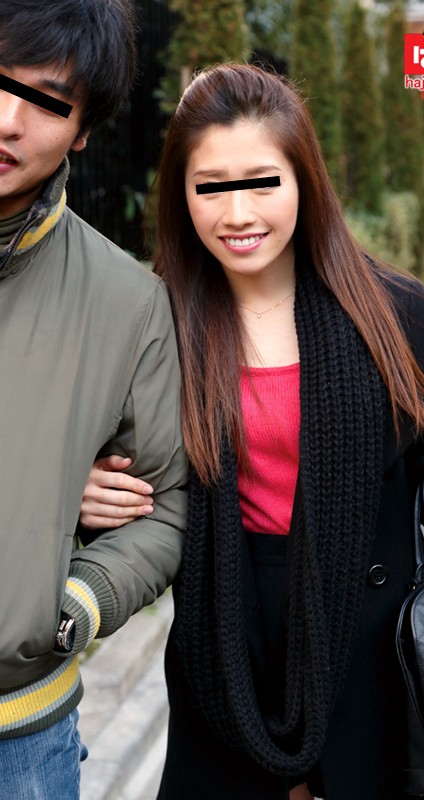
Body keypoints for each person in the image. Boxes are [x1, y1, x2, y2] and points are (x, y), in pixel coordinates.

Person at [80, 63, 424, 800]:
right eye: (210, 187)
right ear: (180, 195)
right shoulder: (156, 323)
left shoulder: (388, 309)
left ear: (304, 181)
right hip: (225, 643)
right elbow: (130, 478)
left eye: (263, 182)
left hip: (366, 644)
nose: (238, 213)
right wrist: (90, 493)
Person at [0, 2, 187, 798]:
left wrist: (74, 602)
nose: (8, 120)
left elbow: (166, 504)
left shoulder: (128, 304)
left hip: (20, 743)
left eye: (46, 101)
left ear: (82, 131)